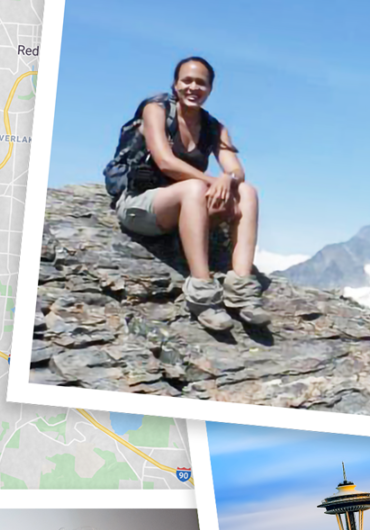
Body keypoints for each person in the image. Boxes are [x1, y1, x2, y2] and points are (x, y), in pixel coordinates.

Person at [103, 55, 268, 333]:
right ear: (175, 84)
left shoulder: (214, 127)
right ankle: (202, 294)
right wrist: (212, 181)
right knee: (194, 188)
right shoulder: (155, 110)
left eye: (201, 83)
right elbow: (165, 161)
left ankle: (241, 290)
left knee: (248, 192)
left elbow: (236, 171)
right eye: (187, 80)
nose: (193, 87)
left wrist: (227, 179)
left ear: (210, 89)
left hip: (180, 212)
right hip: (139, 204)